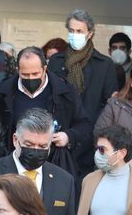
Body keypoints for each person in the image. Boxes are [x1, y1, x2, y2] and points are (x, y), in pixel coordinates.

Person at [0, 47, 91, 164]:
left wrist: (68, 136)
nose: (31, 78)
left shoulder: (65, 92)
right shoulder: (4, 92)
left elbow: (85, 124)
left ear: (44, 69)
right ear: (17, 70)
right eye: (25, 75)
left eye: (35, 74)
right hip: (15, 161)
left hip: (53, 161)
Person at [47, 9, 118, 176]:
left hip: (90, 140)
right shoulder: (56, 62)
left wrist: (96, 134)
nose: (74, 35)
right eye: (71, 31)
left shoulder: (104, 65)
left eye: (79, 31)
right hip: (58, 139)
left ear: (90, 33)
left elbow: (109, 105)